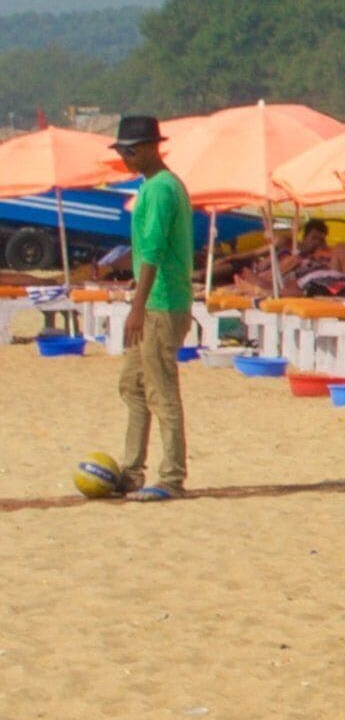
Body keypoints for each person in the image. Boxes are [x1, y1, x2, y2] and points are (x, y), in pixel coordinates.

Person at [101, 116, 191, 502]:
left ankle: (171, 477)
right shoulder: (153, 186)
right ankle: (132, 469)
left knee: (160, 390)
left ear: (148, 148)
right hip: (154, 301)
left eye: (128, 150)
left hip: (161, 302)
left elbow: (153, 250)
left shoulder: (161, 189)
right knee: (133, 386)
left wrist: (137, 306)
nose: (125, 157)